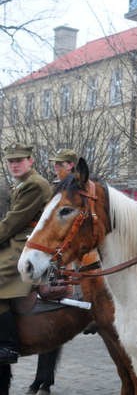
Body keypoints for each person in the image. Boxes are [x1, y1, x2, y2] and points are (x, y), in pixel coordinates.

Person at [0, 143, 52, 364]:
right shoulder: (23, 184)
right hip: (19, 239)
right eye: (11, 161)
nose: (14, 165)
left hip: (28, 244)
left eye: (19, 160)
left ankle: (8, 346)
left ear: (31, 160)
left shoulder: (34, 185)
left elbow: (12, 222)